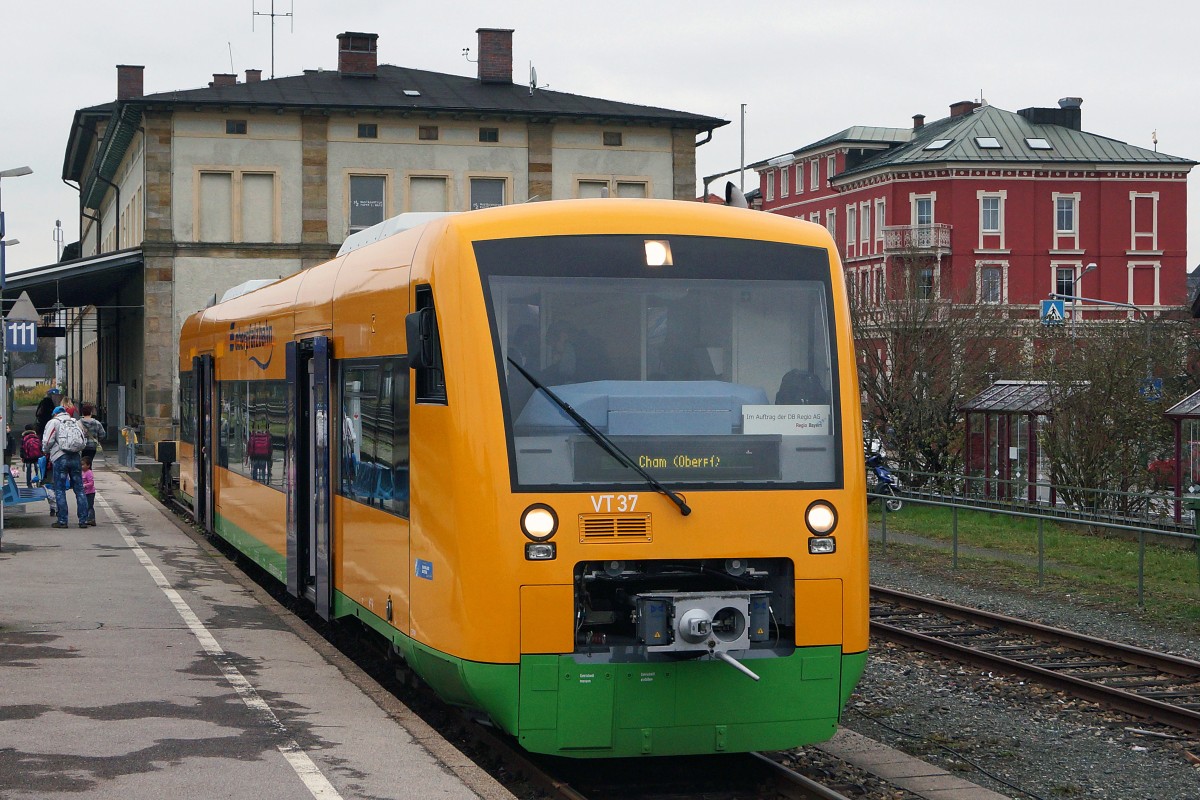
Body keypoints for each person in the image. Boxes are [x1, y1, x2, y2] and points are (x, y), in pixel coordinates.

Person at [42, 405, 89, 529]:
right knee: (79, 489)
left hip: (60, 458)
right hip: (75, 457)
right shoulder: (75, 422)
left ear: (55, 414)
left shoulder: (54, 422)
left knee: (60, 489)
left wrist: (45, 451)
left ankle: (63, 520)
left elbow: (47, 441)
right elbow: (82, 438)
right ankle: (83, 520)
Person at [81, 456, 97, 526]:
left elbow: (91, 483)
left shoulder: (89, 472)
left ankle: (92, 519)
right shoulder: (81, 472)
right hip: (84, 492)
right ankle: (87, 518)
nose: (82, 466)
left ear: (88, 465)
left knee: (89, 506)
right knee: (85, 506)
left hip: (90, 492)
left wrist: (85, 485)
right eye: (81, 465)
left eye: (83, 465)